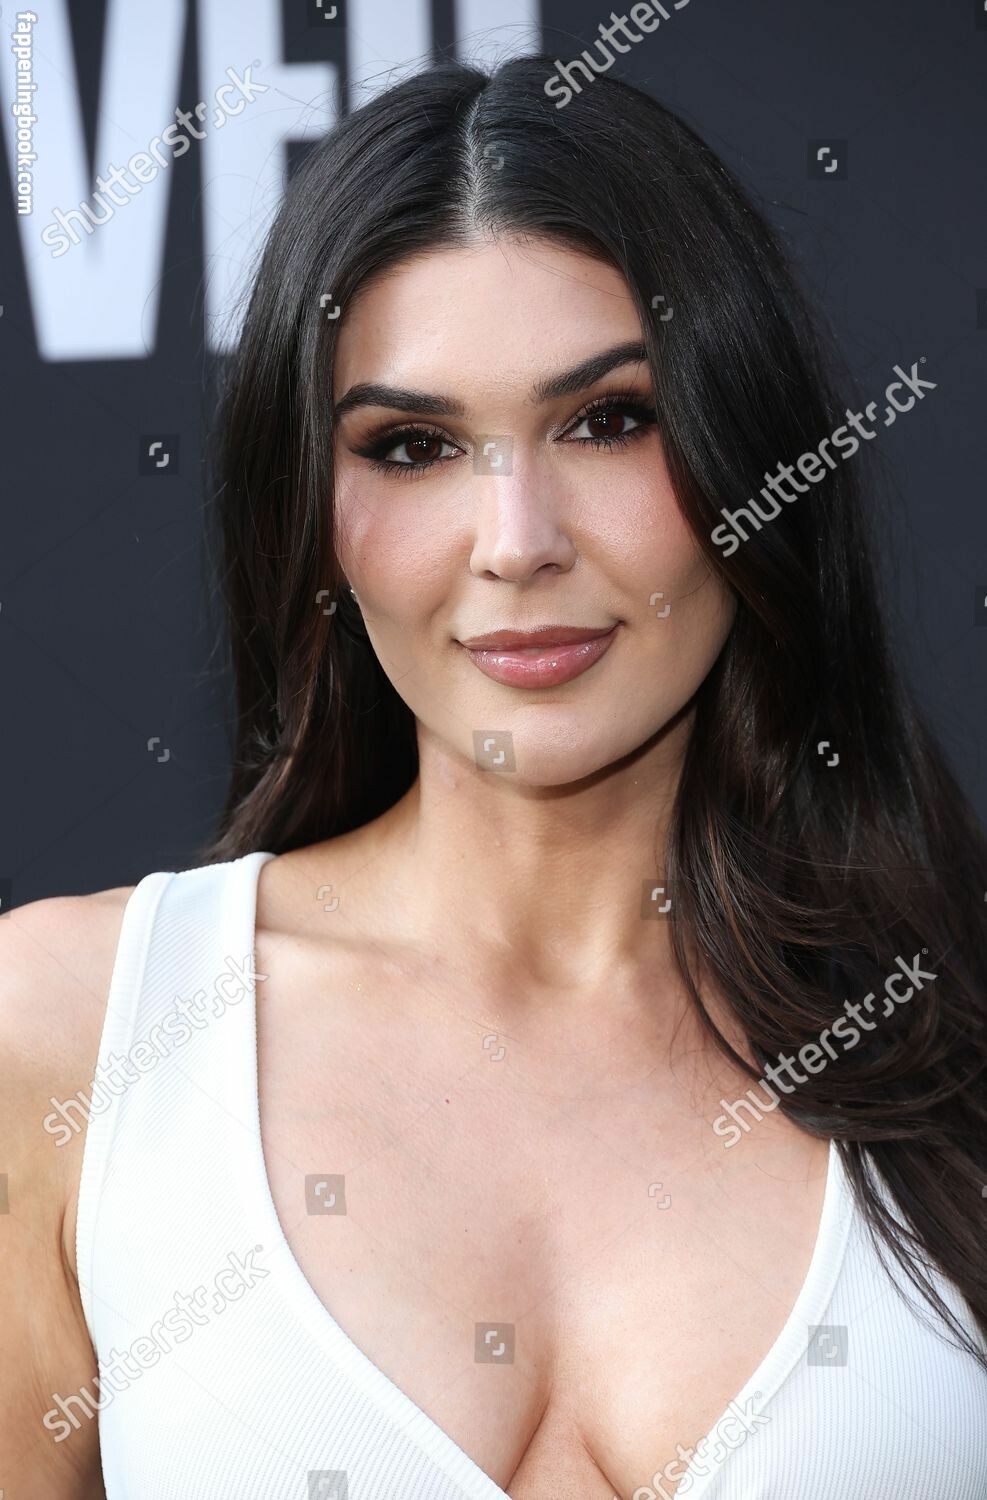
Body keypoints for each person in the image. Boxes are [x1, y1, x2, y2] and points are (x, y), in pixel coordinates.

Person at [3, 53, 985, 1500]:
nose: (517, 539)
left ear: (750, 450)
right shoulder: (65, 1036)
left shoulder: (952, 1030)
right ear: (311, 516)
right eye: (412, 446)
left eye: (611, 420)